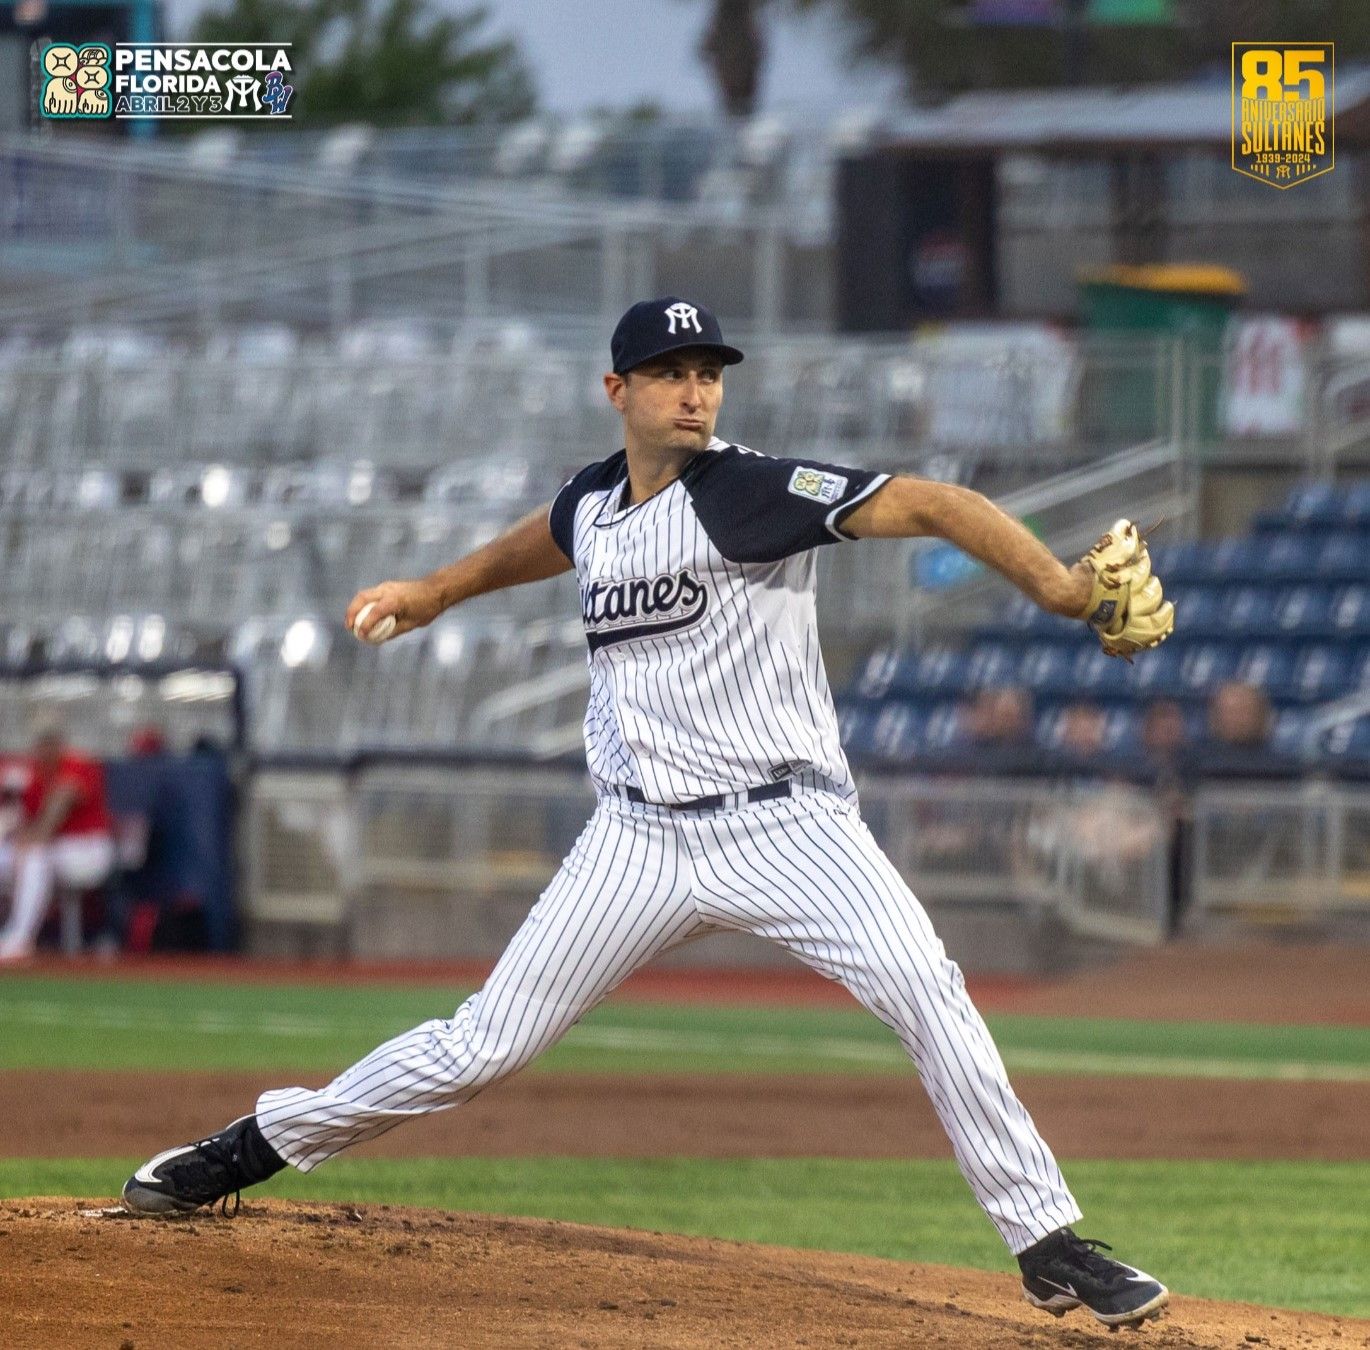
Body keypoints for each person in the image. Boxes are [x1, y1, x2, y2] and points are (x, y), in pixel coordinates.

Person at [122, 297, 1170, 1330]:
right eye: (670, 372)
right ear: (616, 391)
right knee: (482, 1044)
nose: (694, 391)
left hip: (787, 826)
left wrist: (1063, 593)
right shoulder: (593, 504)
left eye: (707, 372)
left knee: (927, 994)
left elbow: (936, 504)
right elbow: (543, 539)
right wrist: (436, 592)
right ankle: (252, 1146)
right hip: (636, 837)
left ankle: (1047, 1244)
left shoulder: (749, 491)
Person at [0, 713, 117, 961]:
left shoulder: (77, 764)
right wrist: (19, 835)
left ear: (60, 743)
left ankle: (19, 938)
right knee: (16, 855)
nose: (45, 748)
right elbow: (19, 818)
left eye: (51, 742)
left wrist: (33, 837)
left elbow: (60, 802)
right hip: (55, 849)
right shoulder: (33, 773)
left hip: (89, 851)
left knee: (35, 857)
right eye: (41, 743)